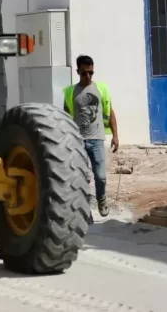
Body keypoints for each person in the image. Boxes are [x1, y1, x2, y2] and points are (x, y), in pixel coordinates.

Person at [63, 55, 119, 217]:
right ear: (77, 71)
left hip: (96, 139)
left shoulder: (101, 89)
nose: (88, 76)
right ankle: (84, 210)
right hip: (78, 141)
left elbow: (110, 112)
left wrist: (115, 136)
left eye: (91, 73)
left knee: (100, 177)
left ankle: (101, 198)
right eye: (84, 73)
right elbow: (66, 118)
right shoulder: (70, 92)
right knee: (82, 177)